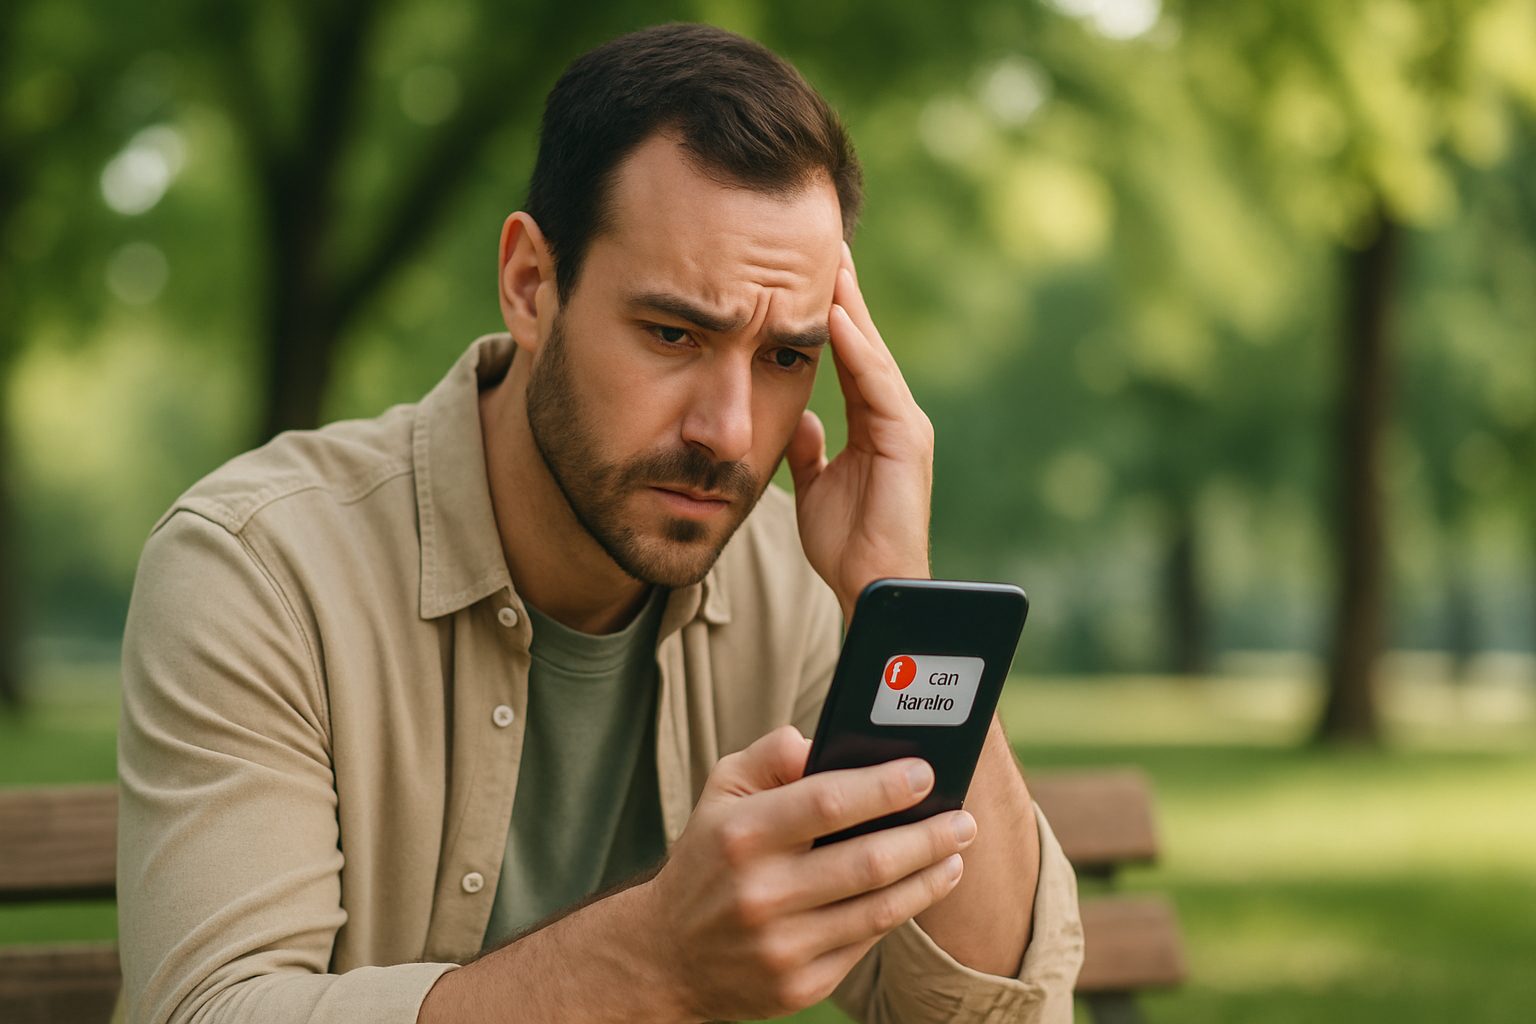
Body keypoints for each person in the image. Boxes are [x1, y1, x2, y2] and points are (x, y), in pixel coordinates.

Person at [115, 22, 1083, 1024]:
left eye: (785, 358)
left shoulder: (795, 590)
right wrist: (653, 959)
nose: (729, 432)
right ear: (532, 284)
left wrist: (902, 595)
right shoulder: (260, 566)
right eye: (674, 333)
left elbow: (995, 1013)